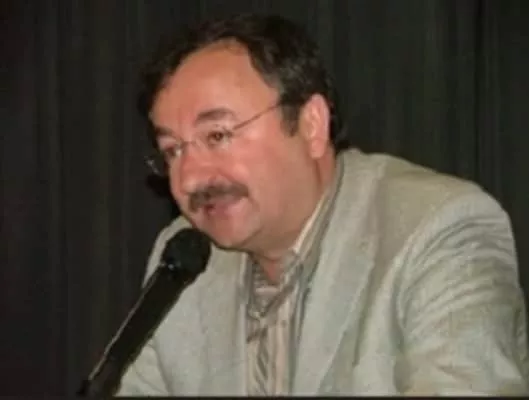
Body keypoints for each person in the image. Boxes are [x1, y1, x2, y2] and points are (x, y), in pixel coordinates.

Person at [117, 13, 529, 396]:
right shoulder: (185, 257)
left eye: (218, 136)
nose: (189, 179)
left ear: (311, 124)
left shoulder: (437, 229)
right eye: (172, 151)